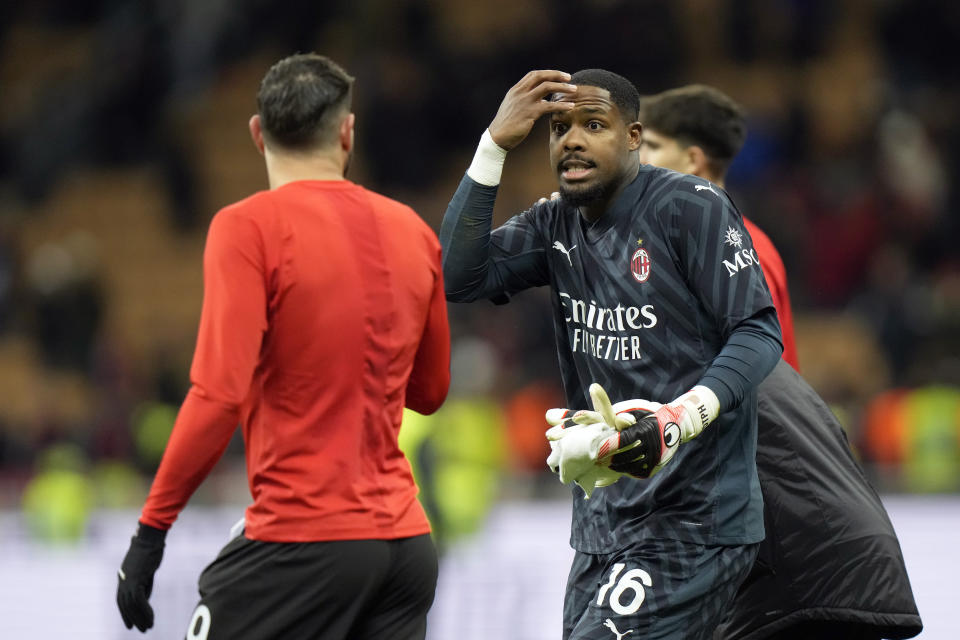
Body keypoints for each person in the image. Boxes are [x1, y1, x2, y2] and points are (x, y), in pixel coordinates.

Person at [116, 53, 451, 640]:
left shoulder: (247, 227)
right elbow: (429, 392)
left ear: (256, 132)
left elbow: (217, 394)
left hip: (303, 541)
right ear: (347, 133)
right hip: (405, 546)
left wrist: (151, 532)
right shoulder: (414, 230)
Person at [440, 69, 783, 640]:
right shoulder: (555, 222)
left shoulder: (690, 206)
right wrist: (493, 145)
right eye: (558, 128)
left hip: (693, 521)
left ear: (632, 137)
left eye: (593, 125)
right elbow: (456, 275)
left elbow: (757, 332)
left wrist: (680, 417)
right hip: (602, 528)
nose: (570, 140)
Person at [637, 84, 922, 640]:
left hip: (781, 526)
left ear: (693, 160)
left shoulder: (730, 250)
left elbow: (756, 400)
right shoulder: (713, 245)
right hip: (770, 519)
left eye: (648, 144)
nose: (635, 160)